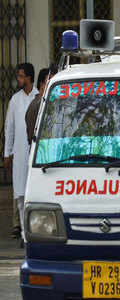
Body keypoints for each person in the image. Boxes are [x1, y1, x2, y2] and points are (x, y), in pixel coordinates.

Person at [4, 63, 38, 244]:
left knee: (32, 192)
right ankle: (25, 233)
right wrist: (6, 153)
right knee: (20, 194)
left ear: (29, 78)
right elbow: (9, 127)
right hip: (18, 152)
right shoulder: (15, 100)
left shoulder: (38, 97)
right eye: (18, 76)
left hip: (33, 153)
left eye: (21, 76)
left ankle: (32, 231)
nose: (19, 79)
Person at [25, 66, 56, 145]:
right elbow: (31, 136)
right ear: (41, 84)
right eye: (49, 83)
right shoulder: (36, 105)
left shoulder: (51, 103)